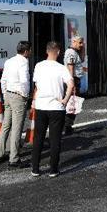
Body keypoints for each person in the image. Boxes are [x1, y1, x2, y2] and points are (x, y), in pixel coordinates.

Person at [30, 41, 74, 178]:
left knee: (38, 138)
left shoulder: (38, 66)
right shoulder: (61, 68)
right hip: (56, 107)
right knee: (55, 140)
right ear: (59, 52)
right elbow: (71, 85)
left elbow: (36, 86)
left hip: (41, 106)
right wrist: (65, 100)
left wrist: (34, 101)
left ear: (46, 51)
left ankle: (35, 169)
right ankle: (53, 170)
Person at [0, 41, 32, 166]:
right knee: (17, 127)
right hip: (18, 96)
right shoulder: (24, 62)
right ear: (26, 51)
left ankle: (0, 154)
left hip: (9, 95)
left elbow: (3, 80)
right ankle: (14, 158)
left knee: (6, 125)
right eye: (30, 50)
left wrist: (5, 96)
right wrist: (26, 96)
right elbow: (24, 81)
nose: (31, 52)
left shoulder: (9, 61)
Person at [63, 36, 86, 135]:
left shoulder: (75, 52)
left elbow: (82, 59)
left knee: (73, 103)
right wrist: (72, 84)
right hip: (73, 81)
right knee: (72, 104)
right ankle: (67, 126)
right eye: (80, 43)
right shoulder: (71, 53)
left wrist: (83, 47)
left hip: (75, 81)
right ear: (74, 42)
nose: (81, 45)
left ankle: (67, 125)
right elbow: (70, 68)